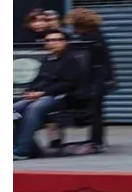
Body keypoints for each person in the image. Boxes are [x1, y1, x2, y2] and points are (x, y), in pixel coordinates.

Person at [14, 29, 85, 159]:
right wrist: (30, 91)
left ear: (65, 42)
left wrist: (42, 93)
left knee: (34, 108)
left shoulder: (70, 60)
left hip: (60, 98)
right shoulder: (47, 60)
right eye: (49, 40)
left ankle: (23, 150)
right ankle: (26, 146)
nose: (52, 43)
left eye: (57, 40)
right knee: (15, 109)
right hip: (40, 96)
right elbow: (39, 80)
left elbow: (69, 84)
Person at [64, 7, 116, 153]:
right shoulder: (96, 34)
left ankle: (96, 142)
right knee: (96, 110)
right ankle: (96, 140)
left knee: (95, 111)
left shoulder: (90, 38)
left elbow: (90, 60)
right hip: (99, 78)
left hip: (96, 79)